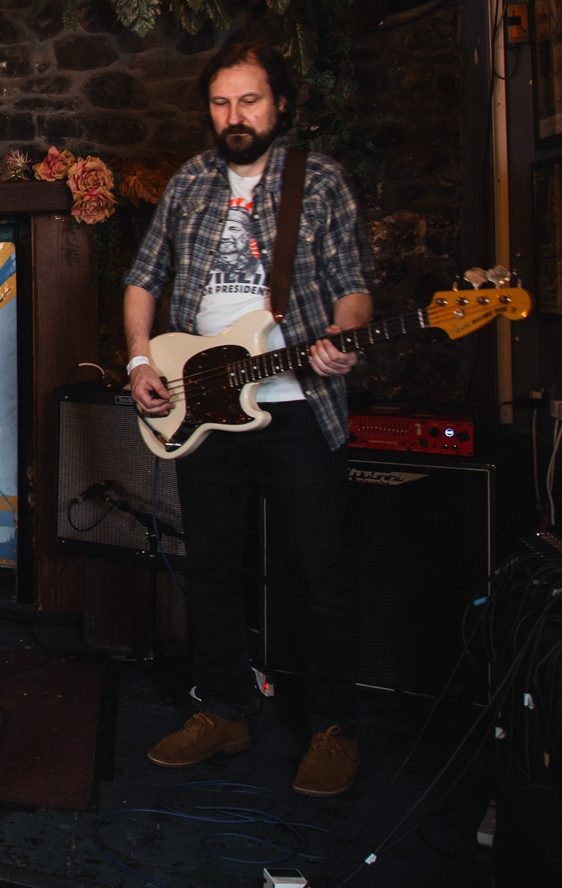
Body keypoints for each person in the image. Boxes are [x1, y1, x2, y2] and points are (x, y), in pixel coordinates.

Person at [123, 40, 375, 799]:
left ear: (281, 104)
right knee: (212, 574)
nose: (235, 117)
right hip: (204, 409)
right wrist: (140, 360)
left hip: (298, 408)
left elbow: (355, 290)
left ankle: (332, 728)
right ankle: (222, 711)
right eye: (222, 103)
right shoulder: (191, 182)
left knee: (316, 574)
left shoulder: (319, 181)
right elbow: (143, 278)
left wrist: (340, 344)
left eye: (250, 101)